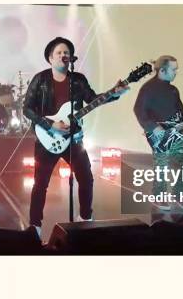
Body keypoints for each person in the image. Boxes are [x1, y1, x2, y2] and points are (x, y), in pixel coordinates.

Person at [23, 37, 129, 236]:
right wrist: (50, 124)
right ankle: (35, 225)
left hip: (74, 139)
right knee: (40, 184)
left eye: (67, 53)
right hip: (47, 139)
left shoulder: (78, 80)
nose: (64, 55)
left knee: (86, 178)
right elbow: (27, 109)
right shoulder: (40, 79)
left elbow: (92, 99)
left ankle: (86, 218)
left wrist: (114, 93)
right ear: (50, 58)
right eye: (59, 52)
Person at [133, 55, 183, 213]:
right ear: (162, 70)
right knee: (161, 164)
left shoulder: (173, 90)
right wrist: (153, 128)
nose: (176, 72)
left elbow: (181, 115)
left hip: (177, 132)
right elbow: (139, 110)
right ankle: (159, 196)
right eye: (174, 69)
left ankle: (180, 194)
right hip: (158, 134)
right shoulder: (147, 88)